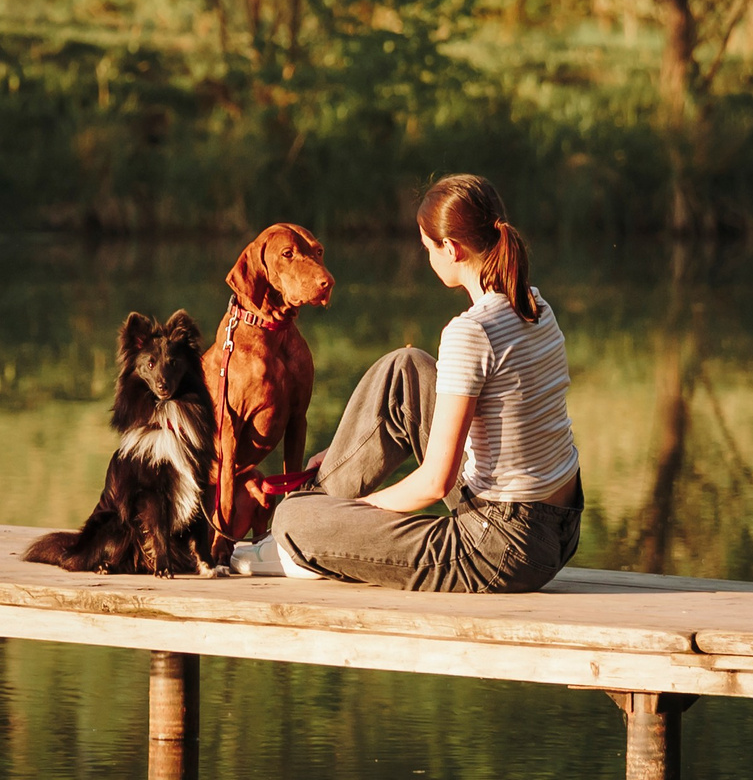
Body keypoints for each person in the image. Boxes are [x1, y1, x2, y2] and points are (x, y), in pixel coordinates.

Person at [236, 174, 582, 592]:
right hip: (561, 529)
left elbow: (435, 482)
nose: (428, 257)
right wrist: (339, 465)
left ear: (451, 249)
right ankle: (307, 527)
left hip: (499, 550)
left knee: (294, 518)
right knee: (407, 367)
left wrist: (358, 513)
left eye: (427, 247)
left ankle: (302, 538)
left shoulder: (471, 331)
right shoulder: (535, 303)